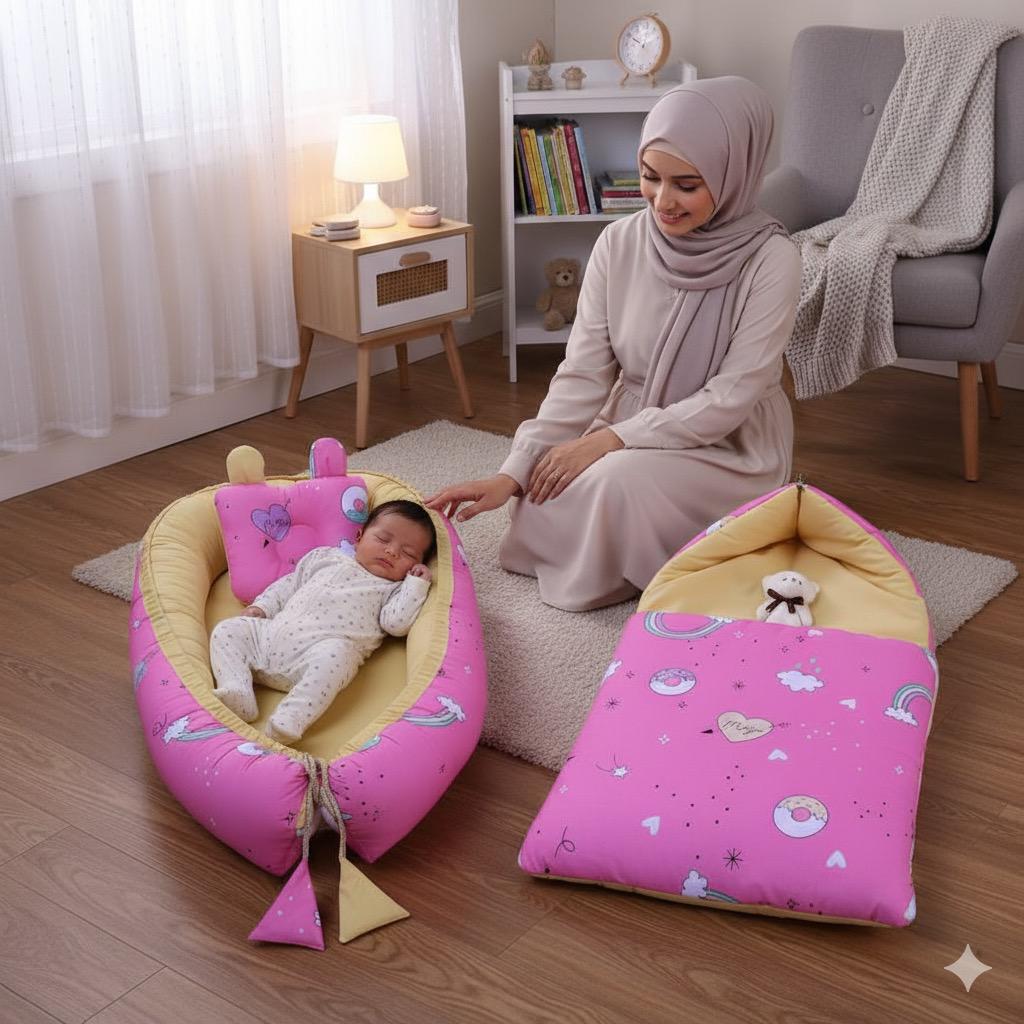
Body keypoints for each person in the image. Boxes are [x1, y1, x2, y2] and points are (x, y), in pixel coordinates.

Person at [426, 76, 800, 612]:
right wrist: (514, 470)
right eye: (650, 177)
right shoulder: (619, 242)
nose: (663, 201)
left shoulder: (772, 259)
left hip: (729, 444)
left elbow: (731, 397)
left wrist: (609, 441)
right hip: (632, 421)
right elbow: (582, 374)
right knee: (546, 488)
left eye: (686, 185)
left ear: (734, 173)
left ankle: (640, 559)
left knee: (611, 483)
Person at [209, 500, 435, 742]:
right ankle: (238, 691)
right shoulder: (325, 557)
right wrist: (261, 607)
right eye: (383, 539)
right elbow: (289, 585)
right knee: (228, 629)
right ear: (359, 537)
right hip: (269, 638)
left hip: (316, 657)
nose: (392, 552)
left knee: (338, 655)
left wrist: (416, 585)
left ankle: (290, 718)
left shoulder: (393, 590)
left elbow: (397, 623)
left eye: (408, 553)